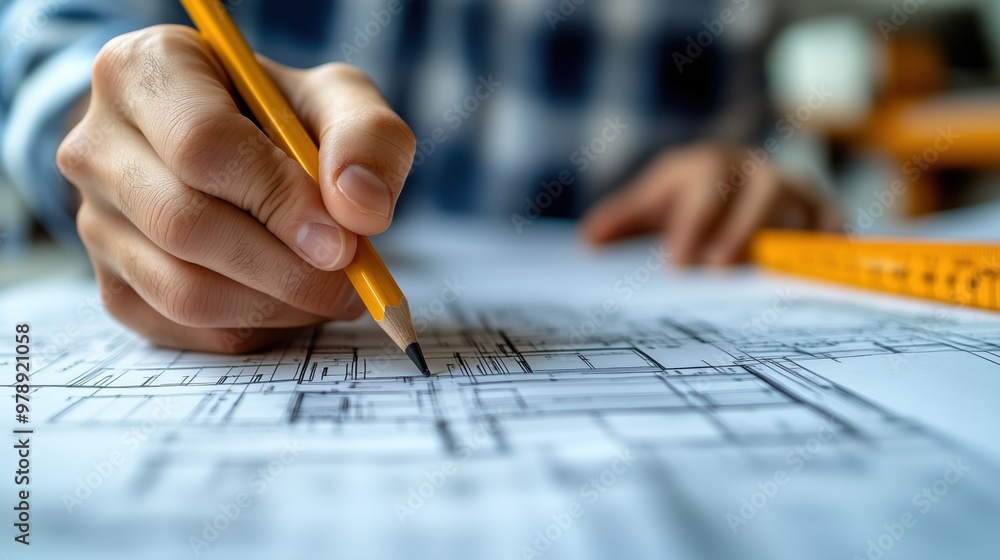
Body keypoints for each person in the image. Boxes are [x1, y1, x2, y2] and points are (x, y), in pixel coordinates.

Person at [0, 0, 839, 352]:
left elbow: (778, 116)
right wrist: (101, 119)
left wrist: (756, 174)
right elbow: (39, 32)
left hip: (666, 277)